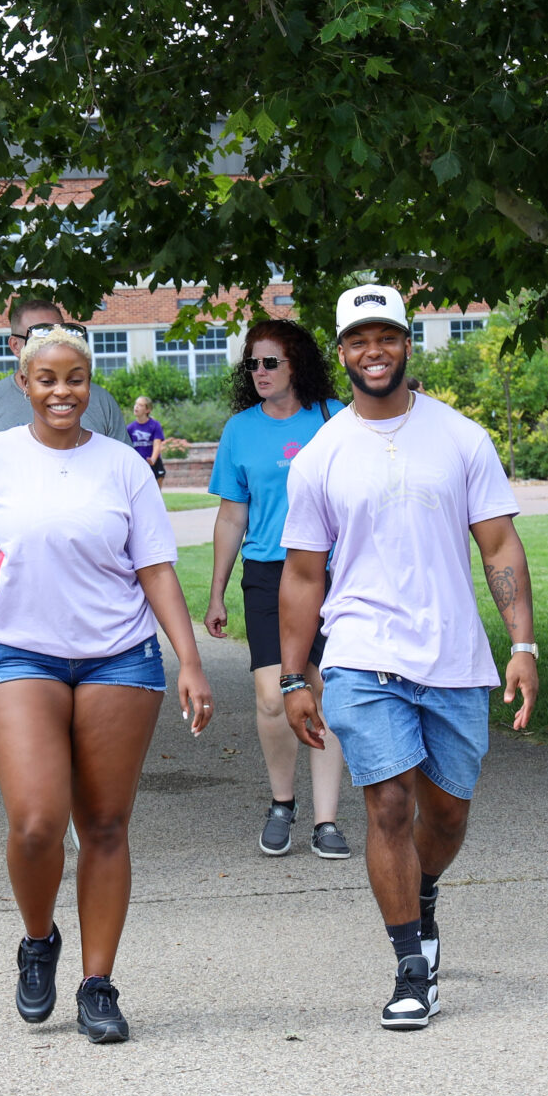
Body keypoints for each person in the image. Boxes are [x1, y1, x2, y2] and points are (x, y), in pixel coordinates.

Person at [0, 325, 214, 1044]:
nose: (62, 391)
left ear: (89, 384)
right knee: (36, 822)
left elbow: (156, 567)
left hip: (119, 655)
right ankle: (39, 941)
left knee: (103, 824)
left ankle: (99, 984)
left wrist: (188, 659)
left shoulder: (122, 465)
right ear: (24, 383)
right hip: (21, 651)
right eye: (47, 379)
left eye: (75, 379)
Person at [278, 287, 539, 1031]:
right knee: (388, 804)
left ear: (405, 343)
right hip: (362, 652)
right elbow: (302, 574)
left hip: (453, 657)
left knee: (447, 814)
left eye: (386, 335)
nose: (374, 350)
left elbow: (499, 546)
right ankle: (409, 966)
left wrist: (522, 643)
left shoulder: (461, 438)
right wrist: (297, 675)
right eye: (359, 339)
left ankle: (422, 893)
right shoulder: (322, 456)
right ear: (342, 352)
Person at [202, 319, 352, 859]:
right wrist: (217, 591)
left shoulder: (336, 419)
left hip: (333, 573)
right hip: (268, 573)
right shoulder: (240, 430)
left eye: (270, 363)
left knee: (325, 691)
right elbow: (230, 517)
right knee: (273, 697)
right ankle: (282, 803)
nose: (259, 372)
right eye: (252, 364)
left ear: (297, 365)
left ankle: (327, 821)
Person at [0, 296, 127, 646]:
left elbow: (128, 498)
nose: (52, 344)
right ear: (15, 345)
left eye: (59, 333)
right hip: (8, 587)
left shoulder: (98, 403)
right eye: (38, 336)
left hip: (95, 587)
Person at [125, 396, 168, 481]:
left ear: (148, 410)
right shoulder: (130, 428)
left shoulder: (155, 425)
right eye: (136, 404)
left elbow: (157, 445)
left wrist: (153, 460)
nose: (136, 407)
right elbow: (127, 448)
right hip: (137, 465)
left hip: (153, 463)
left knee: (156, 493)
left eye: (140, 405)